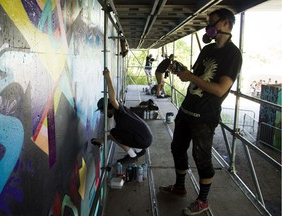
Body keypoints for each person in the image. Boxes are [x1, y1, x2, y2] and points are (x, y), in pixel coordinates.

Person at [159, 8, 242, 215]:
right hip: (187, 109)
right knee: (177, 148)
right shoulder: (207, 50)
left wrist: (191, 78)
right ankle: (180, 187)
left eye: (211, 22)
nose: (208, 27)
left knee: (201, 158)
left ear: (224, 23)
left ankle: (203, 200)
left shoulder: (233, 55)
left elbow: (220, 89)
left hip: (204, 116)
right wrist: (182, 71)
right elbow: (198, 76)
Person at [92, 68, 153, 164]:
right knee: (115, 133)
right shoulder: (121, 114)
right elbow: (113, 137)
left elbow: (112, 99)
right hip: (145, 137)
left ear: (108, 107)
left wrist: (107, 77)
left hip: (144, 139)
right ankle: (139, 151)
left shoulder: (119, 110)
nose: (104, 114)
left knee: (114, 132)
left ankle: (132, 156)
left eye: (104, 111)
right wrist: (100, 141)